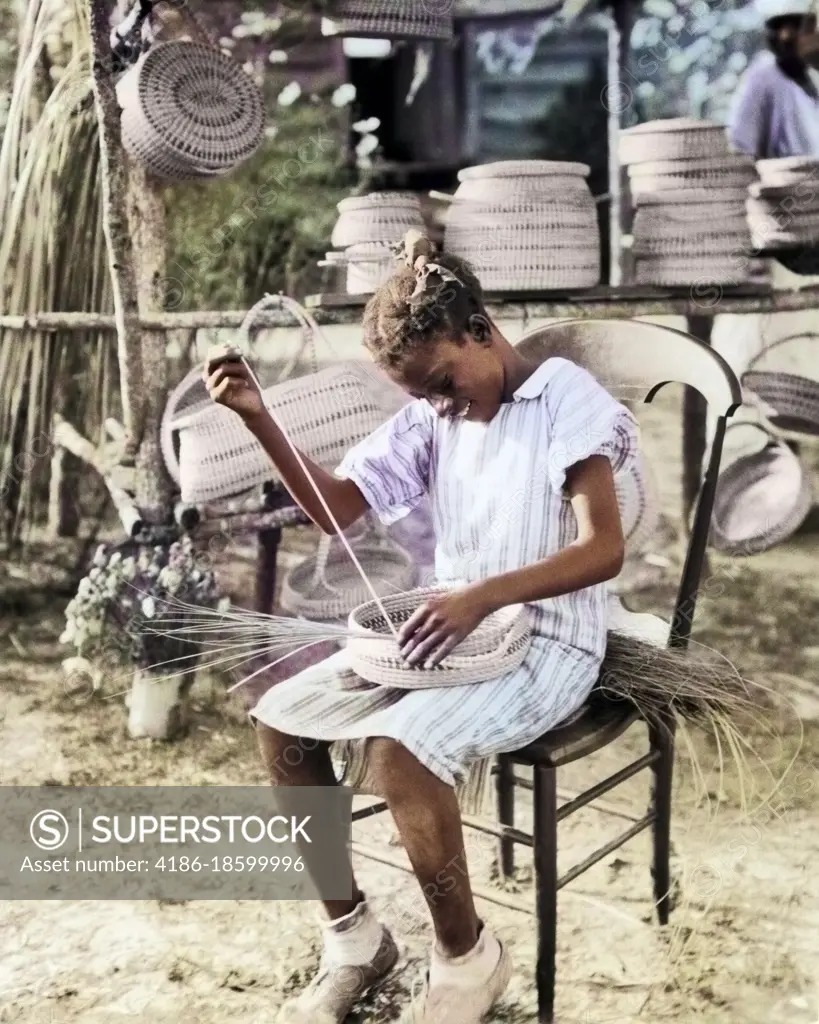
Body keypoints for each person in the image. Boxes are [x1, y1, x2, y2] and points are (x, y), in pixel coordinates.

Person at [203, 231, 640, 1024]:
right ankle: (355, 940)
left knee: (397, 756)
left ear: (478, 327)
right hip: (453, 639)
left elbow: (601, 550)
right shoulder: (435, 414)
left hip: (546, 642)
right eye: (421, 397)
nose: (438, 405)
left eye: (442, 382)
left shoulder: (564, 401)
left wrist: (479, 595)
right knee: (280, 725)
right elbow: (336, 509)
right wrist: (258, 419)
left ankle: (466, 959)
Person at [729, 0, 819, 159]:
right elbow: (741, 146)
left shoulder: (808, 78)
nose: (786, 35)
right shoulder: (763, 77)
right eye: (777, 26)